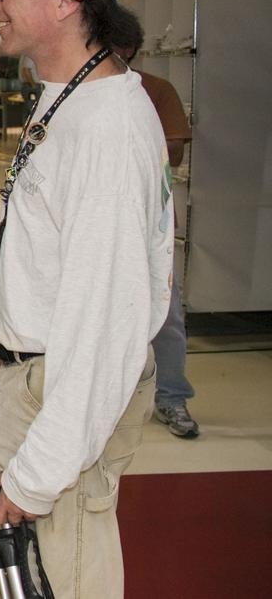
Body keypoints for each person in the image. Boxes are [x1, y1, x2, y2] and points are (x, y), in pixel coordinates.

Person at [0, 0, 172, 597]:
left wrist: (40, 474)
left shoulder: (107, 129)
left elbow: (107, 325)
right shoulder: (66, 99)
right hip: (37, 382)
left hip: (65, 406)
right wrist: (14, 358)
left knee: (55, 578)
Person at [115, 41, 198, 438]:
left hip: (151, 225)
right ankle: (106, 402)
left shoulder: (156, 91)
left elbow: (175, 152)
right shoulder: (74, 93)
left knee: (165, 316)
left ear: (129, 48)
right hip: (94, 225)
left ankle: (171, 396)